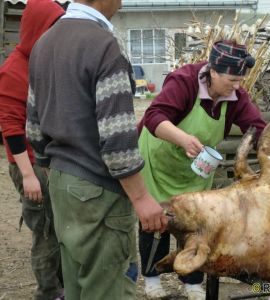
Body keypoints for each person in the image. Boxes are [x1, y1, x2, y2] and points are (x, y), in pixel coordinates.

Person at [26, 0, 168, 299]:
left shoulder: (44, 42)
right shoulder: (104, 45)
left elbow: (34, 126)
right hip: (98, 190)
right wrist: (142, 198)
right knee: (109, 287)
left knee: (77, 284)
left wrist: (49, 167)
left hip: (61, 183)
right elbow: (117, 139)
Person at [137, 40, 267, 300]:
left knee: (196, 222)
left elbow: (257, 127)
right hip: (160, 158)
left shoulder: (236, 97)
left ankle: (192, 280)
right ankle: (152, 278)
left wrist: (269, 154)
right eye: (232, 79)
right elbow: (154, 116)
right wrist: (183, 139)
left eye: (241, 80)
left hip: (195, 167)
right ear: (214, 71)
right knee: (157, 221)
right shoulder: (184, 80)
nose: (237, 86)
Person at [0, 1, 65, 299]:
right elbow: (10, 129)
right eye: (53, 27)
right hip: (31, 165)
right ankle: (48, 293)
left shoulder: (44, 61)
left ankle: (62, 287)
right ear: (38, 29)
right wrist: (28, 176)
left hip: (52, 161)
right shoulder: (14, 70)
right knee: (45, 233)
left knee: (60, 229)